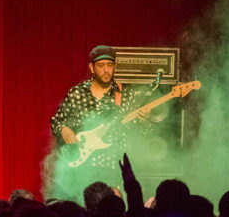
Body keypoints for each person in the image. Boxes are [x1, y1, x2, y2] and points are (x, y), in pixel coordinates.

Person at [49, 45, 154, 197]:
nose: (106, 70)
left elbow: (139, 131)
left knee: (109, 212)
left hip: (112, 166)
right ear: (92, 67)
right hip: (81, 166)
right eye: (101, 65)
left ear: (114, 67)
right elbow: (57, 121)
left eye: (110, 65)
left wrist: (145, 121)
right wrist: (64, 130)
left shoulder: (125, 95)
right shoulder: (77, 93)